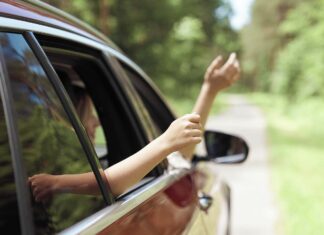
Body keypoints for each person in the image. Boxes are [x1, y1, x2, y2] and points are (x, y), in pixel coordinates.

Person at [29, 53, 240, 201]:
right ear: (64, 124)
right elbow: (108, 184)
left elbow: (180, 155)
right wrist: (165, 142)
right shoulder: (51, 178)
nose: (97, 122)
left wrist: (209, 91)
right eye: (88, 114)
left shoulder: (69, 167)